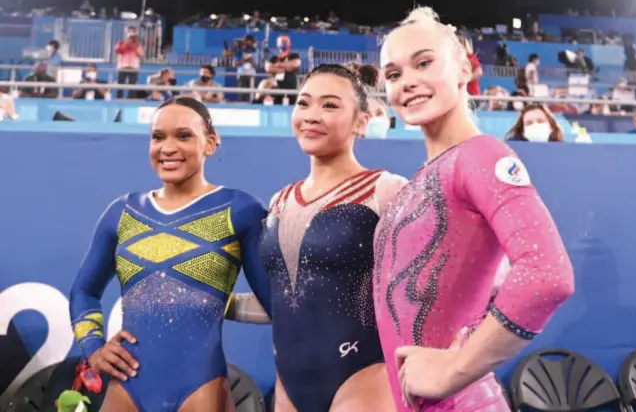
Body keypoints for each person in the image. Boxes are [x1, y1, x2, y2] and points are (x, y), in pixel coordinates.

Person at [375, 7, 575, 411]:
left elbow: (547, 274)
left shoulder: (480, 155)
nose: (407, 82)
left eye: (424, 63)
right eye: (394, 75)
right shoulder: (426, 175)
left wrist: (458, 367)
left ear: (465, 69)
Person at [69, 96, 272, 412]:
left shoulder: (241, 210)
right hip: (126, 389)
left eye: (184, 135)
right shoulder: (122, 212)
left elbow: (277, 304)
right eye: (158, 137)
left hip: (200, 389)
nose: (168, 147)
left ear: (211, 143)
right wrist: (94, 349)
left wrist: (219, 302)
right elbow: (83, 291)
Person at [227, 63, 407, 412]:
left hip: (364, 379)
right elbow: (284, 303)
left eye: (330, 105)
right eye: (304, 103)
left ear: (361, 122)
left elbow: (438, 280)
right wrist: (217, 302)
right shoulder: (280, 201)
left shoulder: (386, 190)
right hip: (290, 387)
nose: (311, 115)